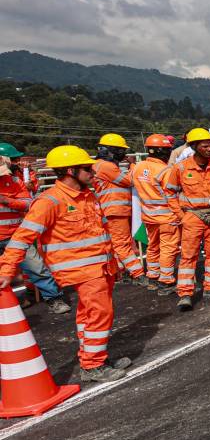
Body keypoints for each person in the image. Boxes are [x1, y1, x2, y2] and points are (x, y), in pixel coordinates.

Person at [0, 146, 131, 382]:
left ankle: (93, 357)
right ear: (70, 171)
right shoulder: (49, 201)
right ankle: (92, 366)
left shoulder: (87, 195)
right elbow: (22, 237)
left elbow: (100, 232)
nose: (93, 172)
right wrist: (7, 269)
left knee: (88, 316)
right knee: (100, 314)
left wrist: (115, 264)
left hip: (101, 267)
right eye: (87, 168)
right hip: (81, 270)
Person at [0, 143, 70, 312]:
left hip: (15, 236)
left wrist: (7, 201)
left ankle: (54, 299)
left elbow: (27, 203)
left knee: (36, 267)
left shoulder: (14, 181)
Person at [164, 128, 210, 312]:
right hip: (192, 216)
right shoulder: (181, 167)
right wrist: (181, 216)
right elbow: (169, 192)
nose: (209, 149)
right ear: (194, 146)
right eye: (205, 146)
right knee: (188, 256)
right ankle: (185, 294)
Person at [92, 133, 146, 286]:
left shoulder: (102, 165)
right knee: (122, 244)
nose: (124, 153)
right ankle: (138, 273)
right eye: (121, 150)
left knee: (122, 243)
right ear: (111, 150)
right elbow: (128, 180)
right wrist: (133, 165)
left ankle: (123, 272)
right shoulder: (105, 166)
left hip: (116, 210)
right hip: (115, 210)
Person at [132, 134, 180, 293]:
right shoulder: (165, 170)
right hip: (167, 217)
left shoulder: (138, 167)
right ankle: (166, 281)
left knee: (153, 246)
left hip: (148, 216)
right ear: (163, 152)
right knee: (168, 248)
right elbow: (172, 194)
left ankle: (152, 276)